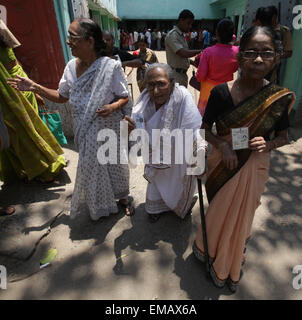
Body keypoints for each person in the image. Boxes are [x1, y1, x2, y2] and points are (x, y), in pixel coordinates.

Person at [192, 26, 296, 293]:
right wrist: (222, 147)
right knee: (218, 212)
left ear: (275, 59)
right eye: (251, 52)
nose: (258, 59)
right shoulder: (220, 93)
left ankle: (230, 259)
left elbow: (284, 136)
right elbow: (204, 128)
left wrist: (270, 143)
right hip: (223, 164)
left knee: (242, 216)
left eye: (266, 53)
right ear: (239, 58)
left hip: (255, 165)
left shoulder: (276, 99)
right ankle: (208, 249)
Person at [8, 18, 135, 220]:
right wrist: (35, 86)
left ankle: (123, 198)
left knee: (114, 165)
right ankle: (101, 205)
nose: (68, 41)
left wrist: (112, 106)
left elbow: (124, 96)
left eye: (73, 37)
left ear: (90, 41)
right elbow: (62, 96)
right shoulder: (70, 67)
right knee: (92, 168)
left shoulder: (110, 67)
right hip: (84, 130)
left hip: (107, 128)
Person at [127, 63, 206, 222]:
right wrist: (130, 130)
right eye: (151, 85)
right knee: (157, 181)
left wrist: (199, 155)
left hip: (180, 153)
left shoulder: (182, 96)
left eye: (161, 84)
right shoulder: (143, 102)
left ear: (171, 83)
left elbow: (194, 128)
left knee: (178, 183)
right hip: (155, 153)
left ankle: (180, 204)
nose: (156, 91)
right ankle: (156, 207)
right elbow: (138, 135)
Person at [0, 22, 66, 184]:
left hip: (20, 86)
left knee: (29, 132)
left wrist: (33, 88)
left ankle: (42, 169)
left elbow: (15, 61)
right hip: (9, 92)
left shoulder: (2, 32)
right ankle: (38, 171)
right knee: (20, 134)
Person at [196, 19, 239, 116]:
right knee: (224, 122)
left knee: (203, 123)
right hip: (227, 91)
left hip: (207, 92)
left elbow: (201, 76)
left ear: (217, 33)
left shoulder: (208, 52)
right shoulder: (237, 52)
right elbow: (235, 68)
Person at [165, 10, 201, 87]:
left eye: (191, 24)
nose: (190, 26)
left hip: (181, 75)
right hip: (175, 75)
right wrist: (201, 51)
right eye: (188, 23)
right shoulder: (173, 35)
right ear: (181, 20)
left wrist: (192, 63)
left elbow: (182, 57)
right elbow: (182, 53)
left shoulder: (181, 35)